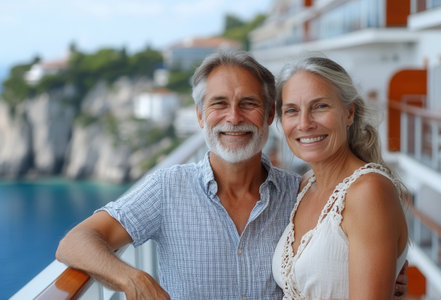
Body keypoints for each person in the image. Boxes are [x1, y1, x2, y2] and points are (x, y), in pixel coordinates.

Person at [56, 50, 408, 299]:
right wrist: (130, 278)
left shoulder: (296, 191)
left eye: (249, 103)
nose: (234, 117)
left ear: (269, 115)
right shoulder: (168, 188)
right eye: (219, 103)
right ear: (199, 116)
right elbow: (75, 242)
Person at [271, 56, 409, 300]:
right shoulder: (306, 185)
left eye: (320, 106)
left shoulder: (369, 191)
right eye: (292, 110)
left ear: (349, 113)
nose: (304, 123)